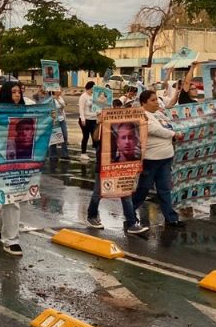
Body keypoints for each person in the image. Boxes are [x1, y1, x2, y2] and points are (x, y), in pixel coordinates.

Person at [86, 102, 148, 234]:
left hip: (124, 168)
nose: (127, 141)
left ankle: (131, 223)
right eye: (123, 138)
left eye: (129, 137)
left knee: (125, 194)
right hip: (104, 166)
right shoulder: (105, 125)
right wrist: (100, 123)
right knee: (98, 193)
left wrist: (143, 123)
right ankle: (91, 216)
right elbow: (95, 137)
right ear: (118, 140)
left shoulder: (132, 149)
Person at [0, 82, 32, 256]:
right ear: (6, 93)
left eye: (19, 92)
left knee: (12, 197)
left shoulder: (26, 108)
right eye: (13, 92)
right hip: (1, 158)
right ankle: (10, 240)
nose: (17, 95)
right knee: (12, 199)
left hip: (21, 157)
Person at [131, 90, 186, 228]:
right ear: (144, 102)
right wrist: (174, 134)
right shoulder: (141, 115)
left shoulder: (159, 114)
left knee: (165, 189)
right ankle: (129, 214)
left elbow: (171, 124)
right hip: (151, 159)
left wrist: (176, 131)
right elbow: (155, 129)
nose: (156, 102)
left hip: (166, 157)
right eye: (153, 100)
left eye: (157, 99)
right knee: (143, 189)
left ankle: (171, 218)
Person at [78, 81, 97, 161]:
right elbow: (81, 109)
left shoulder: (94, 96)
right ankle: (83, 153)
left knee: (95, 137)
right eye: (93, 88)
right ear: (90, 87)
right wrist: (83, 119)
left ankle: (97, 152)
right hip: (85, 119)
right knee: (86, 136)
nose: (94, 89)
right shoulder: (83, 96)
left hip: (94, 119)